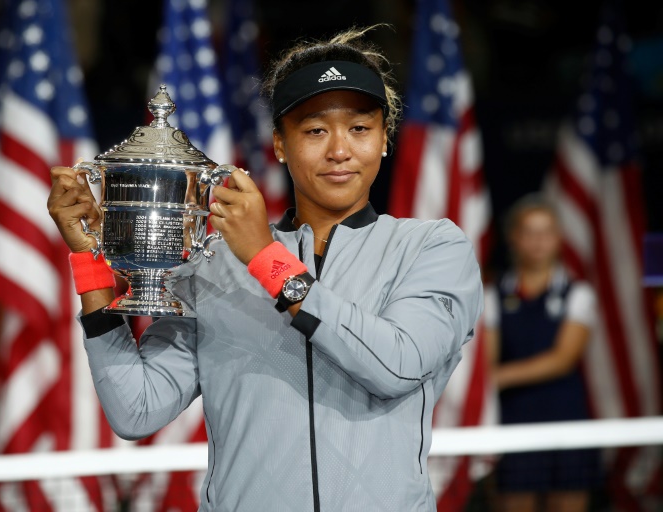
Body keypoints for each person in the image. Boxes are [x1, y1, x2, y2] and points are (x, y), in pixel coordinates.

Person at [48, 25, 483, 511]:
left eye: (360, 128)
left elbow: (396, 367)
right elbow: (136, 409)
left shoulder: (433, 248)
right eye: (315, 130)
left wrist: (265, 258)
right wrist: (90, 261)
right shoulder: (212, 266)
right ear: (279, 144)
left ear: (384, 139)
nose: (340, 149)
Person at [484, 194, 602, 512]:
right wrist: (489, 378)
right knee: (513, 502)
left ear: (559, 238)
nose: (538, 241)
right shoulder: (493, 294)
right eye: (529, 231)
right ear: (513, 237)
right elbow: (486, 356)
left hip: (567, 416)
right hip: (512, 418)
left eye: (546, 231)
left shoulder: (579, 293)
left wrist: (498, 377)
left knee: (568, 502)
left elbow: (563, 360)